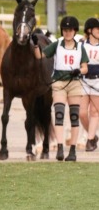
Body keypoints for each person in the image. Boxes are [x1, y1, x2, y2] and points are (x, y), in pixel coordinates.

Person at [33, 15, 88, 161]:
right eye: (65, 30)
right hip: (59, 83)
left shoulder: (80, 47)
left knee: (74, 117)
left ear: (75, 31)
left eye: (70, 30)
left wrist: (79, 71)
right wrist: (35, 46)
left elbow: (85, 68)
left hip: (74, 83)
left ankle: (73, 150)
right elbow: (40, 57)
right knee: (59, 114)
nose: (67, 32)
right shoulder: (56, 45)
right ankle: (59, 147)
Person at [79, 17, 99, 151]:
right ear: (90, 30)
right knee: (82, 113)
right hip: (84, 81)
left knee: (94, 111)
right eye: (97, 28)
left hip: (97, 81)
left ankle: (90, 140)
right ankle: (93, 135)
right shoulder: (82, 45)